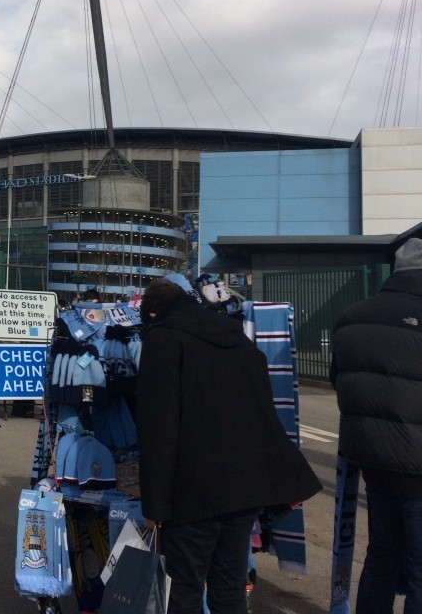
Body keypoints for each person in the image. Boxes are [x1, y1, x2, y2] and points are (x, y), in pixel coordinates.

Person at [136, 277, 321, 614]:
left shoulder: (163, 340)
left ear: (152, 314)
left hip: (191, 493)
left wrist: (155, 506)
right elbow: (264, 413)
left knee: (184, 590)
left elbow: (158, 429)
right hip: (244, 490)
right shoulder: (238, 341)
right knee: (230, 588)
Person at [331, 237, 422, 613]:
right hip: (419, 464)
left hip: (372, 458)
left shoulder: (352, 316)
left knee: (381, 555)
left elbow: (340, 380)